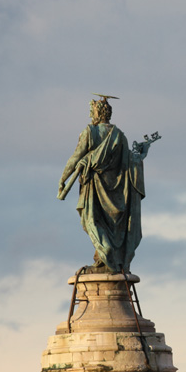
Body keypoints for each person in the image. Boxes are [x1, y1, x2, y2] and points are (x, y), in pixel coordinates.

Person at [58, 96, 155, 274]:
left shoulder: (90, 132)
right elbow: (130, 161)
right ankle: (106, 257)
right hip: (117, 191)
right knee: (110, 225)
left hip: (94, 188)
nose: (89, 113)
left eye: (91, 110)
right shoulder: (119, 135)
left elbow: (75, 158)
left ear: (97, 112)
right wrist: (141, 154)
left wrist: (63, 178)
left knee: (92, 221)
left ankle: (105, 256)